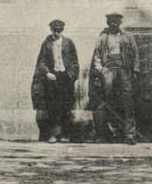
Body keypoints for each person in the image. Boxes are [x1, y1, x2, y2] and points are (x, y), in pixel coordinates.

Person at [89, 12, 140, 145]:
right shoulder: (103, 38)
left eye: (116, 22)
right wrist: (101, 70)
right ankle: (107, 133)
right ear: (108, 23)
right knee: (107, 100)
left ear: (120, 23)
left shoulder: (128, 37)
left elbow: (135, 54)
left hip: (124, 70)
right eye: (111, 22)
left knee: (128, 101)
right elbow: (97, 56)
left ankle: (129, 134)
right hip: (109, 70)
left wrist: (135, 70)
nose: (114, 24)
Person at [31, 19, 79, 142]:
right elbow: (40, 62)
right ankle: (53, 134)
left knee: (66, 106)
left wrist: (71, 76)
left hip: (65, 78)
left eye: (59, 30)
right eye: (54, 30)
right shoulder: (46, 43)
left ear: (62, 30)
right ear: (51, 29)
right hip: (52, 78)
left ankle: (64, 135)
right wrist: (47, 73)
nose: (57, 33)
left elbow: (75, 62)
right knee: (53, 107)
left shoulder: (69, 43)